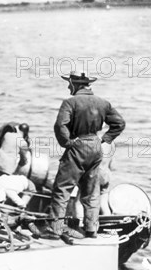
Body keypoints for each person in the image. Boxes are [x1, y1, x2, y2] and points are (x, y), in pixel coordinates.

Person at [45, 72, 125, 239]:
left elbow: (60, 125)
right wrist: (106, 139)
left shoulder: (70, 102)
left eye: (70, 84)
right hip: (96, 147)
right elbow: (119, 123)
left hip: (78, 146)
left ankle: (55, 229)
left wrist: (67, 143)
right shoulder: (103, 103)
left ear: (75, 84)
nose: (68, 87)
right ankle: (91, 229)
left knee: (62, 189)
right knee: (92, 192)